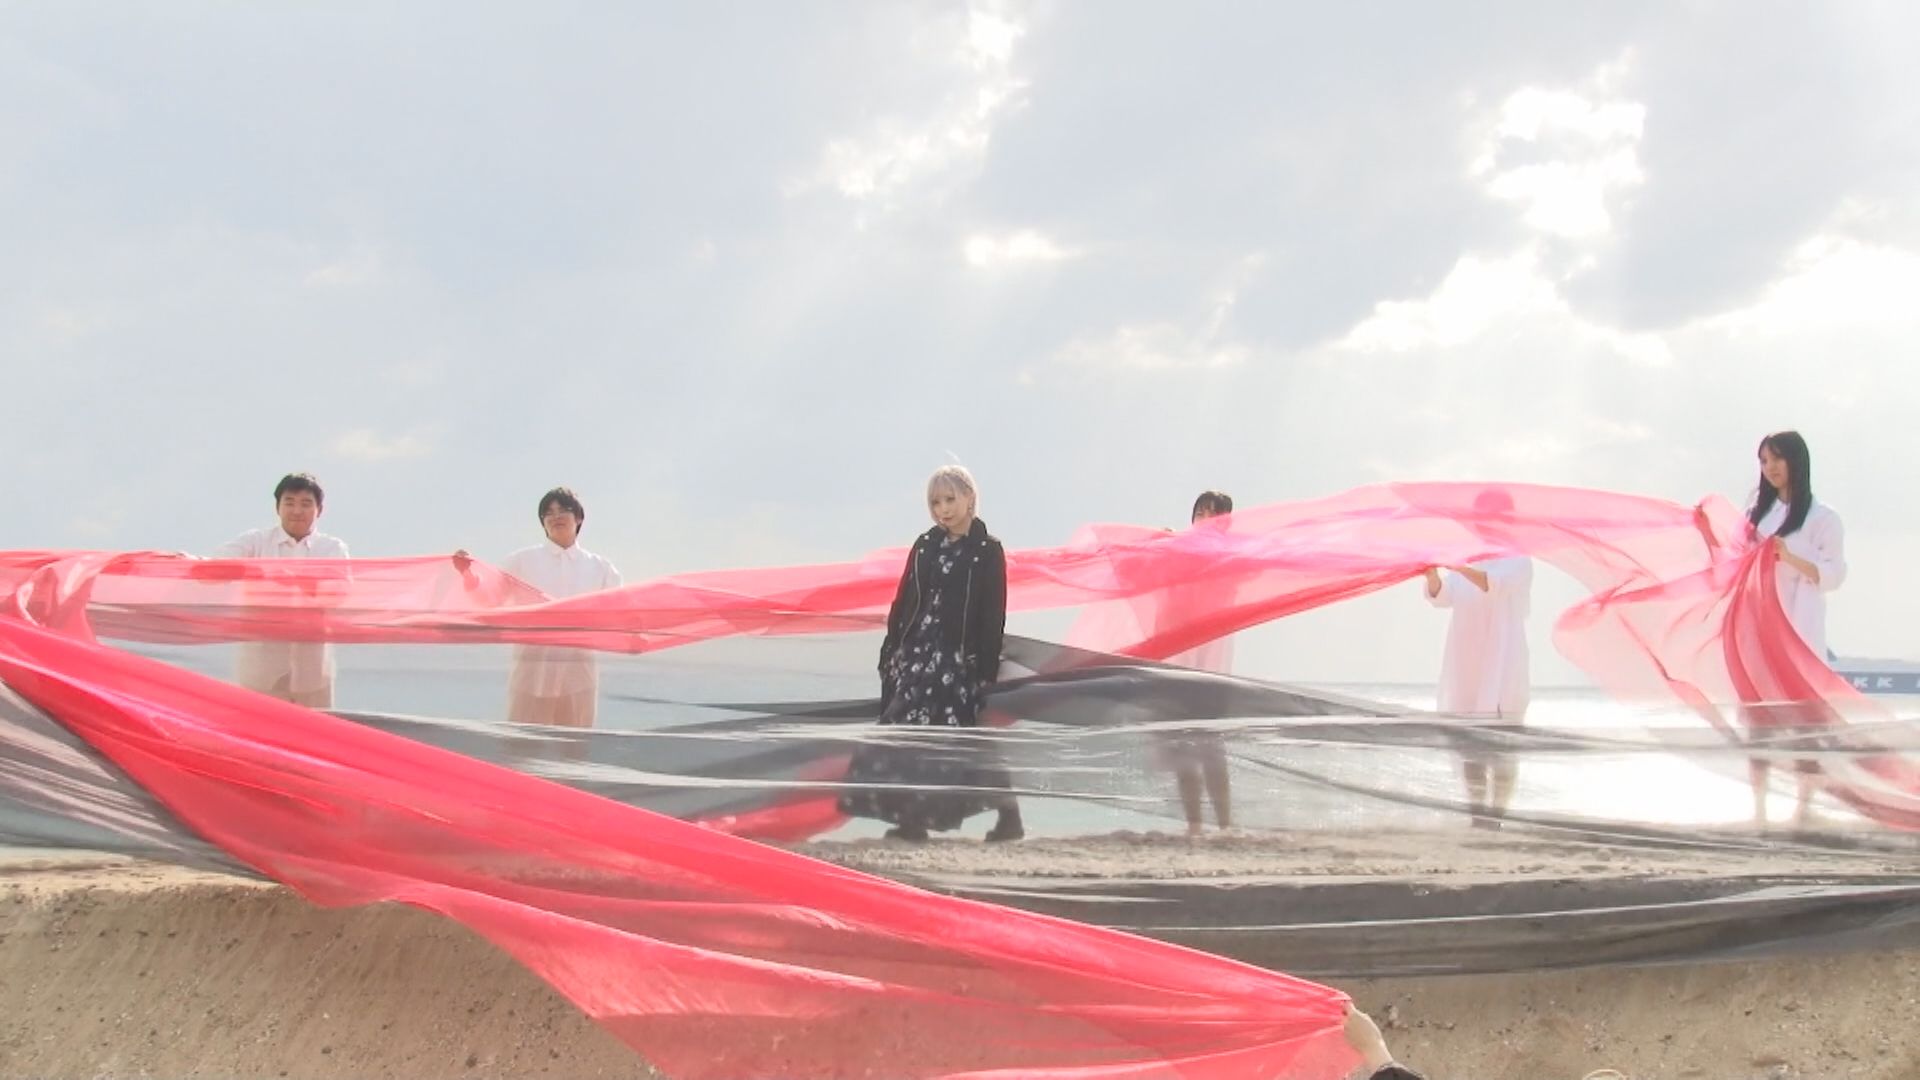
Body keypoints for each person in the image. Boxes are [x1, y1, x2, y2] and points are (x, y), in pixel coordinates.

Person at [838, 465, 1020, 842]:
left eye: (950, 499)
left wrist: (984, 669)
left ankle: (1007, 816)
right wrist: (891, 650)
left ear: (970, 498)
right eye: (935, 502)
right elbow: (903, 600)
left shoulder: (987, 551)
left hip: (958, 660)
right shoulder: (924, 545)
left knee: (961, 740)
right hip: (916, 656)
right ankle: (913, 820)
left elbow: (993, 613)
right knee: (903, 734)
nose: (943, 509)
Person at [1737, 431, 1847, 828]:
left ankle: (1803, 809)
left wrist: (1789, 556)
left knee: (1806, 725)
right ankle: (1760, 810)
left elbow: (1835, 574)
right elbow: (1734, 559)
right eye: (1764, 461)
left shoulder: (1823, 518)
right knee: (1759, 725)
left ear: (1796, 461)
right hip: (1759, 628)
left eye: (1777, 459)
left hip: (1800, 630)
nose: (1770, 468)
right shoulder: (1756, 515)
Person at [1422, 490, 1533, 829]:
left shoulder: (1518, 558)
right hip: (1466, 659)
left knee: (1502, 745)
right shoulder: (1467, 557)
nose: (1486, 524)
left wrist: (1458, 565)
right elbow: (1443, 597)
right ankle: (1477, 816)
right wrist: (1431, 574)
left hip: (1503, 660)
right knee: (1469, 744)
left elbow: (1492, 584)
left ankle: (1496, 817)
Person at [213, 473, 350, 707]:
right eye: (289, 502)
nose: (297, 511)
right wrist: (261, 572)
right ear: (278, 507)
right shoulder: (256, 542)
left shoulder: (331, 549)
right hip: (261, 668)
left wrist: (294, 580)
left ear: (319, 509)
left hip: (313, 668)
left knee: (313, 726)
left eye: (305, 504)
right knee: (257, 724)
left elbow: (338, 594)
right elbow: (217, 568)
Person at [497, 487, 623, 728]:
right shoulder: (521, 561)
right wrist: (467, 572)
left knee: (575, 744)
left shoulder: (601, 568)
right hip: (531, 672)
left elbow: (620, 611)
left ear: (579, 517)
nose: (555, 516)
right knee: (522, 743)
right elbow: (489, 591)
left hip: (578, 674)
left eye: (563, 510)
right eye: (548, 513)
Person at [1162, 490, 1236, 837]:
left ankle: (1224, 825)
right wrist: (1163, 546)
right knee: (1182, 749)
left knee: (1211, 749)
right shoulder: (1178, 550)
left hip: (1210, 669)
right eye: (1200, 513)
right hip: (1178, 664)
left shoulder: (1231, 557)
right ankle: (1194, 824)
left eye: (1212, 514)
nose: (1204, 520)